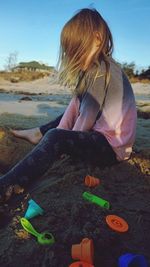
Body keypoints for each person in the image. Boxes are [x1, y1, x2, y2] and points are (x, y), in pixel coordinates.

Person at [0, 8, 137, 201]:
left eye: (76, 50)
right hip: (104, 140)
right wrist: (59, 133)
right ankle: (40, 132)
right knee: (74, 104)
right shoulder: (97, 69)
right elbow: (78, 109)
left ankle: (6, 185)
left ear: (97, 40)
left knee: (57, 137)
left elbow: (87, 117)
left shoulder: (100, 71)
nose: (72, 57)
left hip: (110, 148)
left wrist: (60, 143)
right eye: (69, 51)